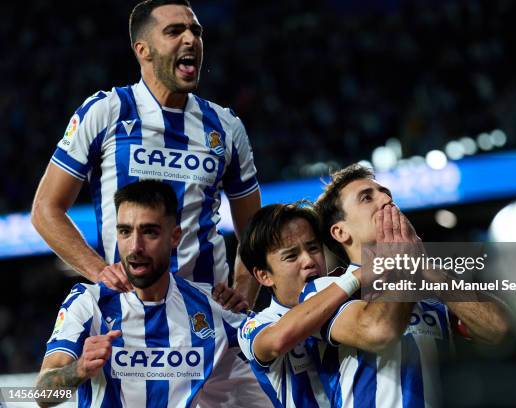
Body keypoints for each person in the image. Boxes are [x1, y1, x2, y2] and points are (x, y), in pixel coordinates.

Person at [30, 0, 260, 308]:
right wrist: (99, 271)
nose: (190, 39)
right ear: (143, 49)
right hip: (126, 316)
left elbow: (255, 231)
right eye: (174, 31)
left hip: (206, 322)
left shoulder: (226, 127)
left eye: (196, 31)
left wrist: (243, 293)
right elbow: (46, 209)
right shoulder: (106, 112)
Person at [35, 180, 268, 407]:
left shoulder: (212, 305)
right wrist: (80, 368)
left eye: (149, 232)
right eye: (125, 231)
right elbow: (42, 394)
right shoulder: (89, 302)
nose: (135, 246)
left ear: (175, 237)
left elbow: (276, 341)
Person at [307, 163, 510, 407]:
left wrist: (425, 267)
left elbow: (500, 331)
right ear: (340, 232)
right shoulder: (324, 291)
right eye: (366, 198)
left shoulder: (432, 288)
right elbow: (379, 331)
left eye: (385, 193)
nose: (385, 199)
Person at [237, 202, 418, 407]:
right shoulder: (257, 324)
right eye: (291, 256)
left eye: (313, 248)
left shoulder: (347, 297)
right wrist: (355, 277)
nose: (309, 261)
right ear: (264, 275)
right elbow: (278, 340)